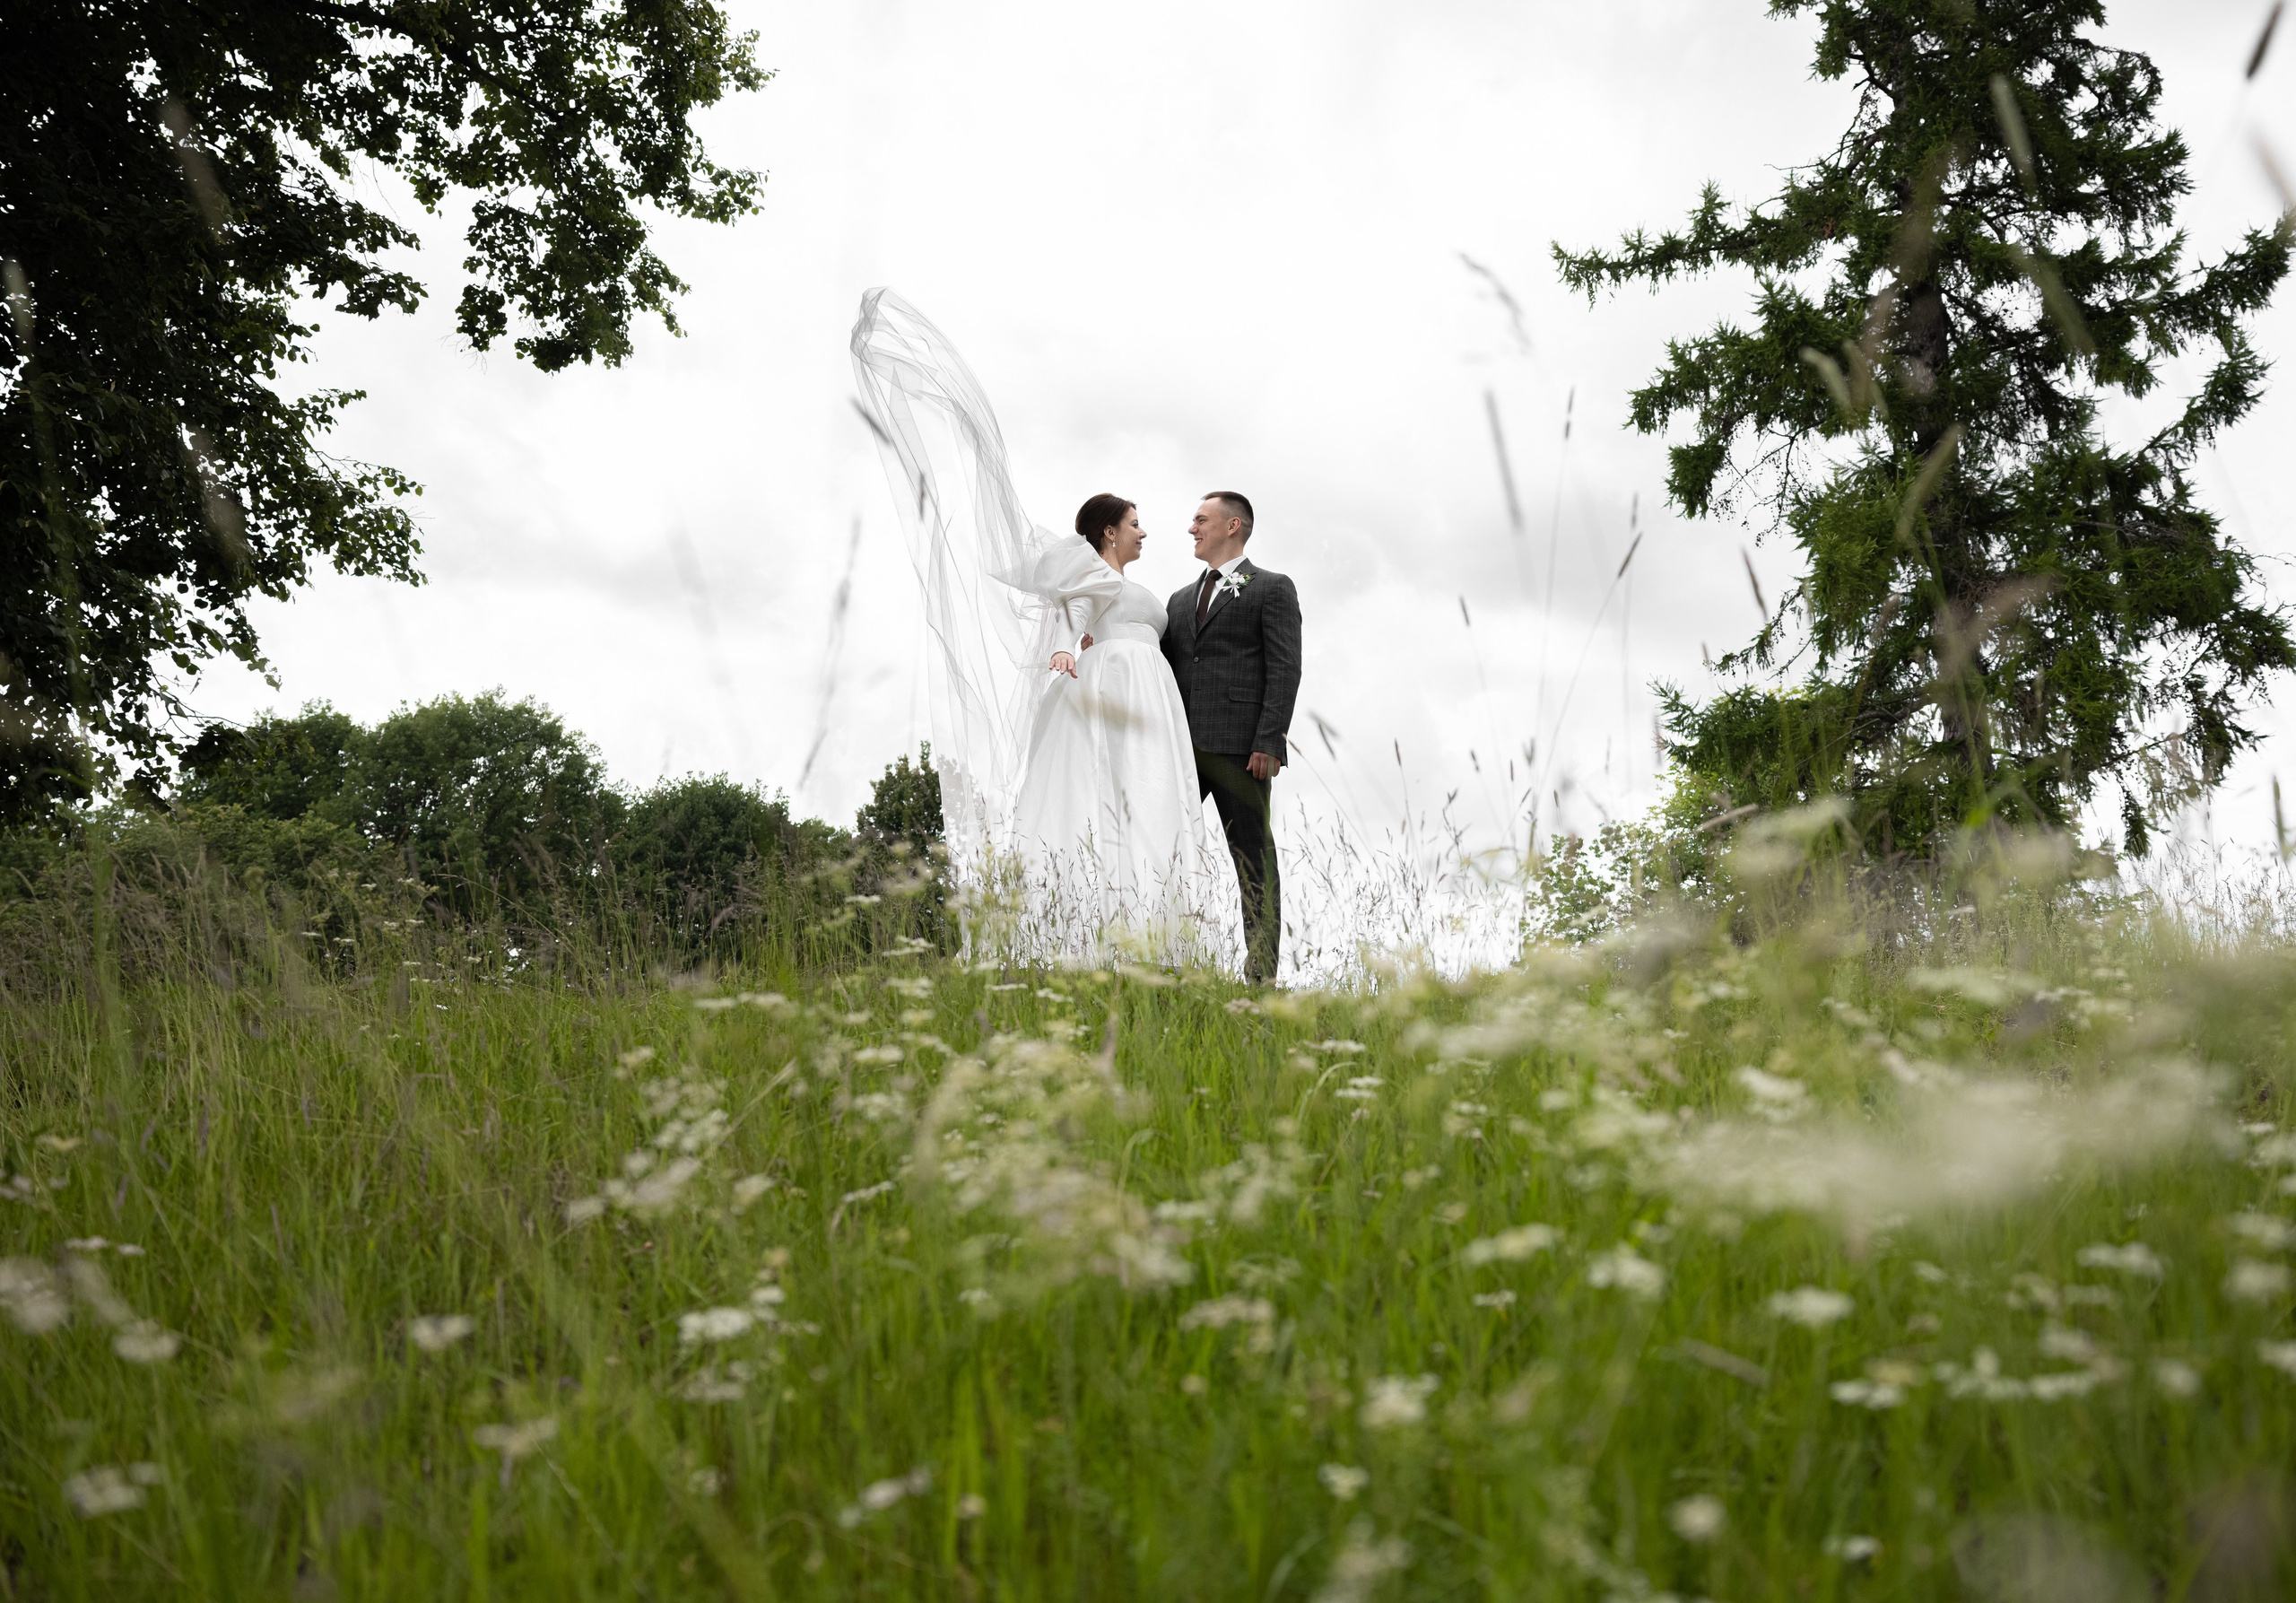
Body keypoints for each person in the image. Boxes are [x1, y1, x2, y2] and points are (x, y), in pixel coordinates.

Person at [1006, 495, 1222, 957]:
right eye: (1134, 525)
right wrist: (1066, 646)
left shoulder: (1128, 585)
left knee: (1150, 792)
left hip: (1151, 690)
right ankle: (1088, 929)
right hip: (1117, 682)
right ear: (1110, 532)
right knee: (1104, 789)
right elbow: (1076, 612)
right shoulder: (1092, 573)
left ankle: (1152, 928)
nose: (1142, 534)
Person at [1156, 492, 1300, 983]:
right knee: (1158, 848)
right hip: (1179, 751)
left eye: (1200, 519)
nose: (1191, 528)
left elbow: (1284, 667)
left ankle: (1261, 972)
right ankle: (1159, 958)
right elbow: (1158, 662)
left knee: (1253, 858)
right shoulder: (1178, 600)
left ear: (1233, 525)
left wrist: (1270, 741)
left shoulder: (1271, 588)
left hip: (1243, 750)